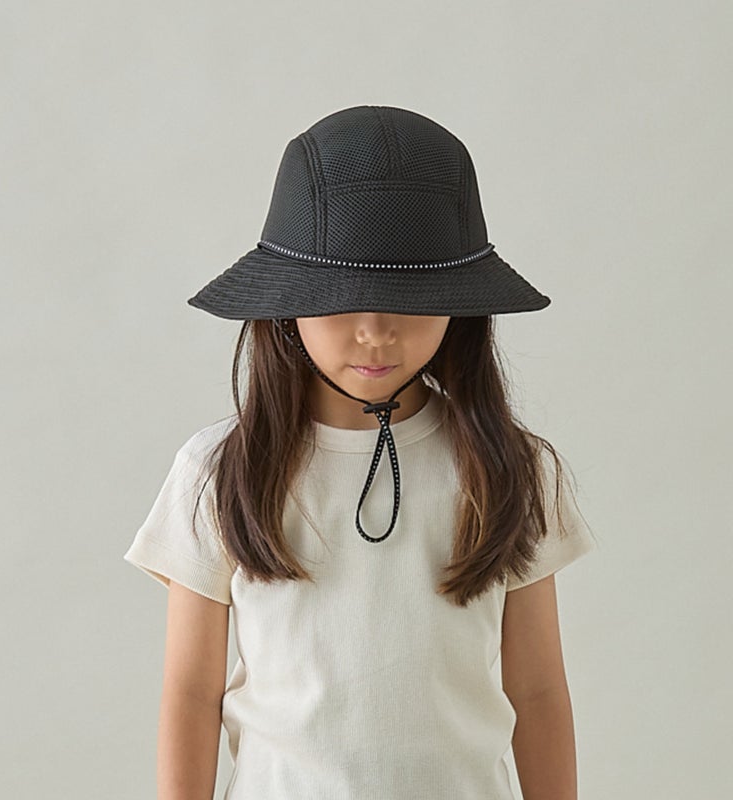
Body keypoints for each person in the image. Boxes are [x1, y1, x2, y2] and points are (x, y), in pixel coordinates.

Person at [123, 105, 599, 800]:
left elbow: (539, 690)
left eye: (410, 299)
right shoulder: (220, 472)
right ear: (286, 304)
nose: (375, 332)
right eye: (341, 300)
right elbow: (192, 693)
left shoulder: (510, 469)